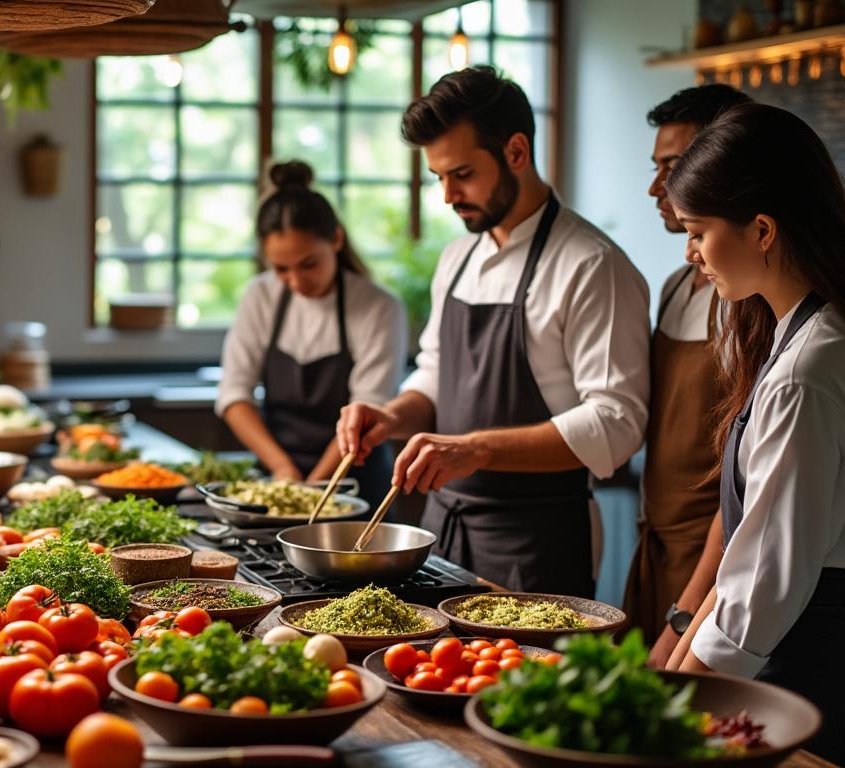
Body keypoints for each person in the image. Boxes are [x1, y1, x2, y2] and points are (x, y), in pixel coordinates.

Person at [337, 67, 650, 597]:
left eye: (461, 173)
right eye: (437, 176)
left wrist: (476, 449)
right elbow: (437, 373)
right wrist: (391, 416)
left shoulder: (593, 265)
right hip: (442, 533)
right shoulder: (458, 257)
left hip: (537, 543)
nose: (447, 195)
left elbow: (617, 423)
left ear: (516, 152)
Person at [665, 103, 845, 764]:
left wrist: (681, 706)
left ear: (762, 229)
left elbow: (766, 579)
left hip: (807, 668)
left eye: (699, 231)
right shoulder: (798, 333)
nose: (692, 253)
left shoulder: (809, 368)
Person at [623, 84, 752, 657]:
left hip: (712, 563)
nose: (657, 187)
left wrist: (688, 612)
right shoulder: (676, 284)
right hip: (654, 545)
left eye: (672, 168)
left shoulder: (749, 306)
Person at [217, 161, 406, 508]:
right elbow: (234, 395)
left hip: (357, 486)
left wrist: (314, 489)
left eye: (309, 264)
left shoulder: (379, 306)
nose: (296, 282)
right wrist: (282, 469)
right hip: (278, 476)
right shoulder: (260, 296)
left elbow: (369, 406)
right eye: (281, 269)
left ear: (336, 239)